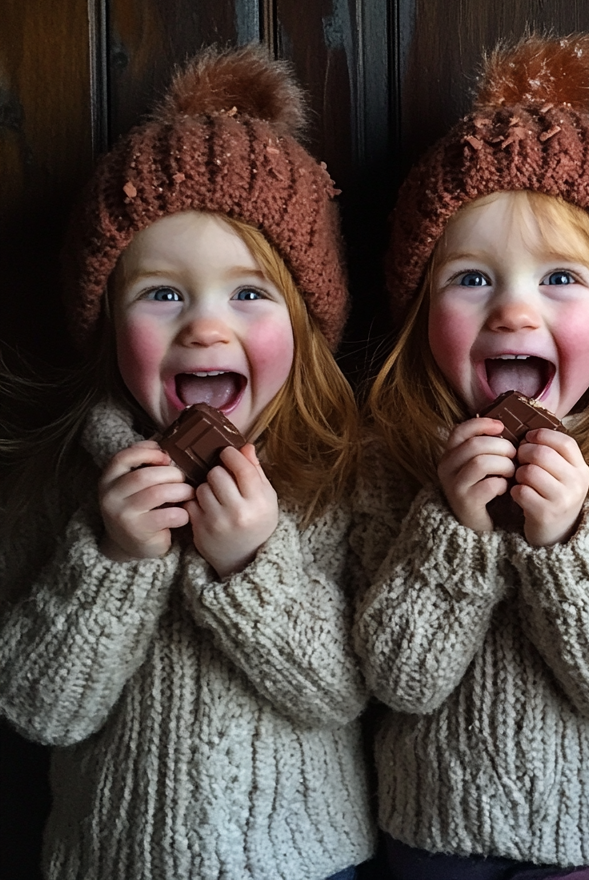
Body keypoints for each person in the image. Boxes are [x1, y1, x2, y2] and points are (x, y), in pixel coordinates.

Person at [0, 47, 374, 880]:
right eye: (163, 294)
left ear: (309, 326)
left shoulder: (337, 479)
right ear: (104, 326)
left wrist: (252, 566)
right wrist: (112, 559)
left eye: (249, 294)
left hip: (305, 865)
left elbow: (345, 693)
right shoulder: (65, 486)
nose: (207, 329)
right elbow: (38, 707)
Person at [351, 33, 589, 878]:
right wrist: (452, 527)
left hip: (584, 833)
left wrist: (567, 540)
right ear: (422, 312)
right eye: (471, 279)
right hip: (429, 827)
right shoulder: (388, 460)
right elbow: (396, 680)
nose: (514, 314)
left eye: (561, 279)